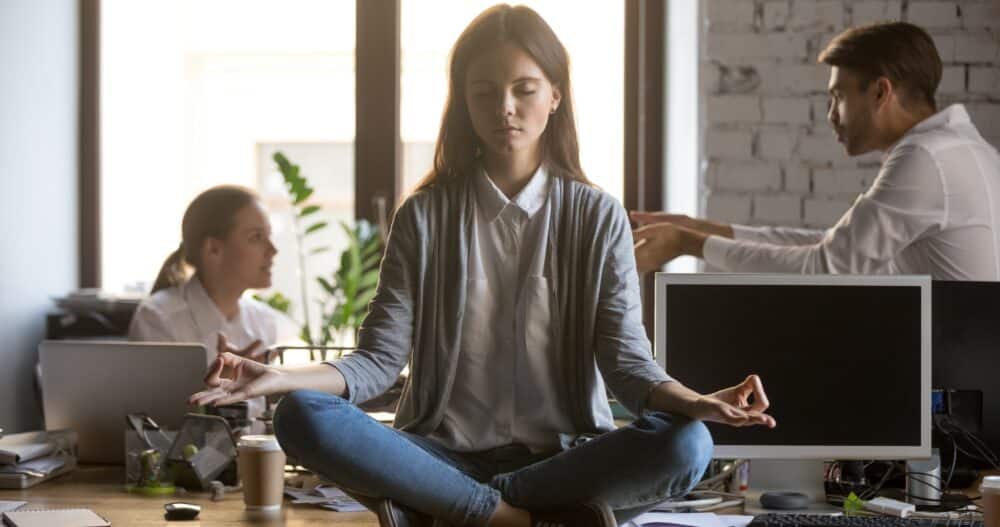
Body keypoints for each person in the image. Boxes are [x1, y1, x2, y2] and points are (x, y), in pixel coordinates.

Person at [191, 6, 775, 527]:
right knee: (302, 417)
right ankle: (513, 518)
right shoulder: (423, 215)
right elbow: (377, 362)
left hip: (562, 460)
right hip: (440, 453)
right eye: (484, 93)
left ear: (555, 94)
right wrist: (282, 379)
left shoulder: (598, 216)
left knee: (689, 444)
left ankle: (458, 506)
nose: (504, 108)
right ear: (463, 103)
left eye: (524, 89)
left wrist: (694, 401)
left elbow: (626, 365)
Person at [633, 21, 1000, 280]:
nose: (831, 116)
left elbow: (826, 267)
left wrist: (689, 244)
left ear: (879, 93)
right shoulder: (960, 147)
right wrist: (699, 228)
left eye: (838, 97)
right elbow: (832, 246)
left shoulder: (925, 159)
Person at [129, 184, 299, 366]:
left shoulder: (267, 323)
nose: (273, 250)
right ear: (214, 249)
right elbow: (152, 395)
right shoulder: (158, 318)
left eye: (269, 236)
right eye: (256, 237)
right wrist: (220, 387)